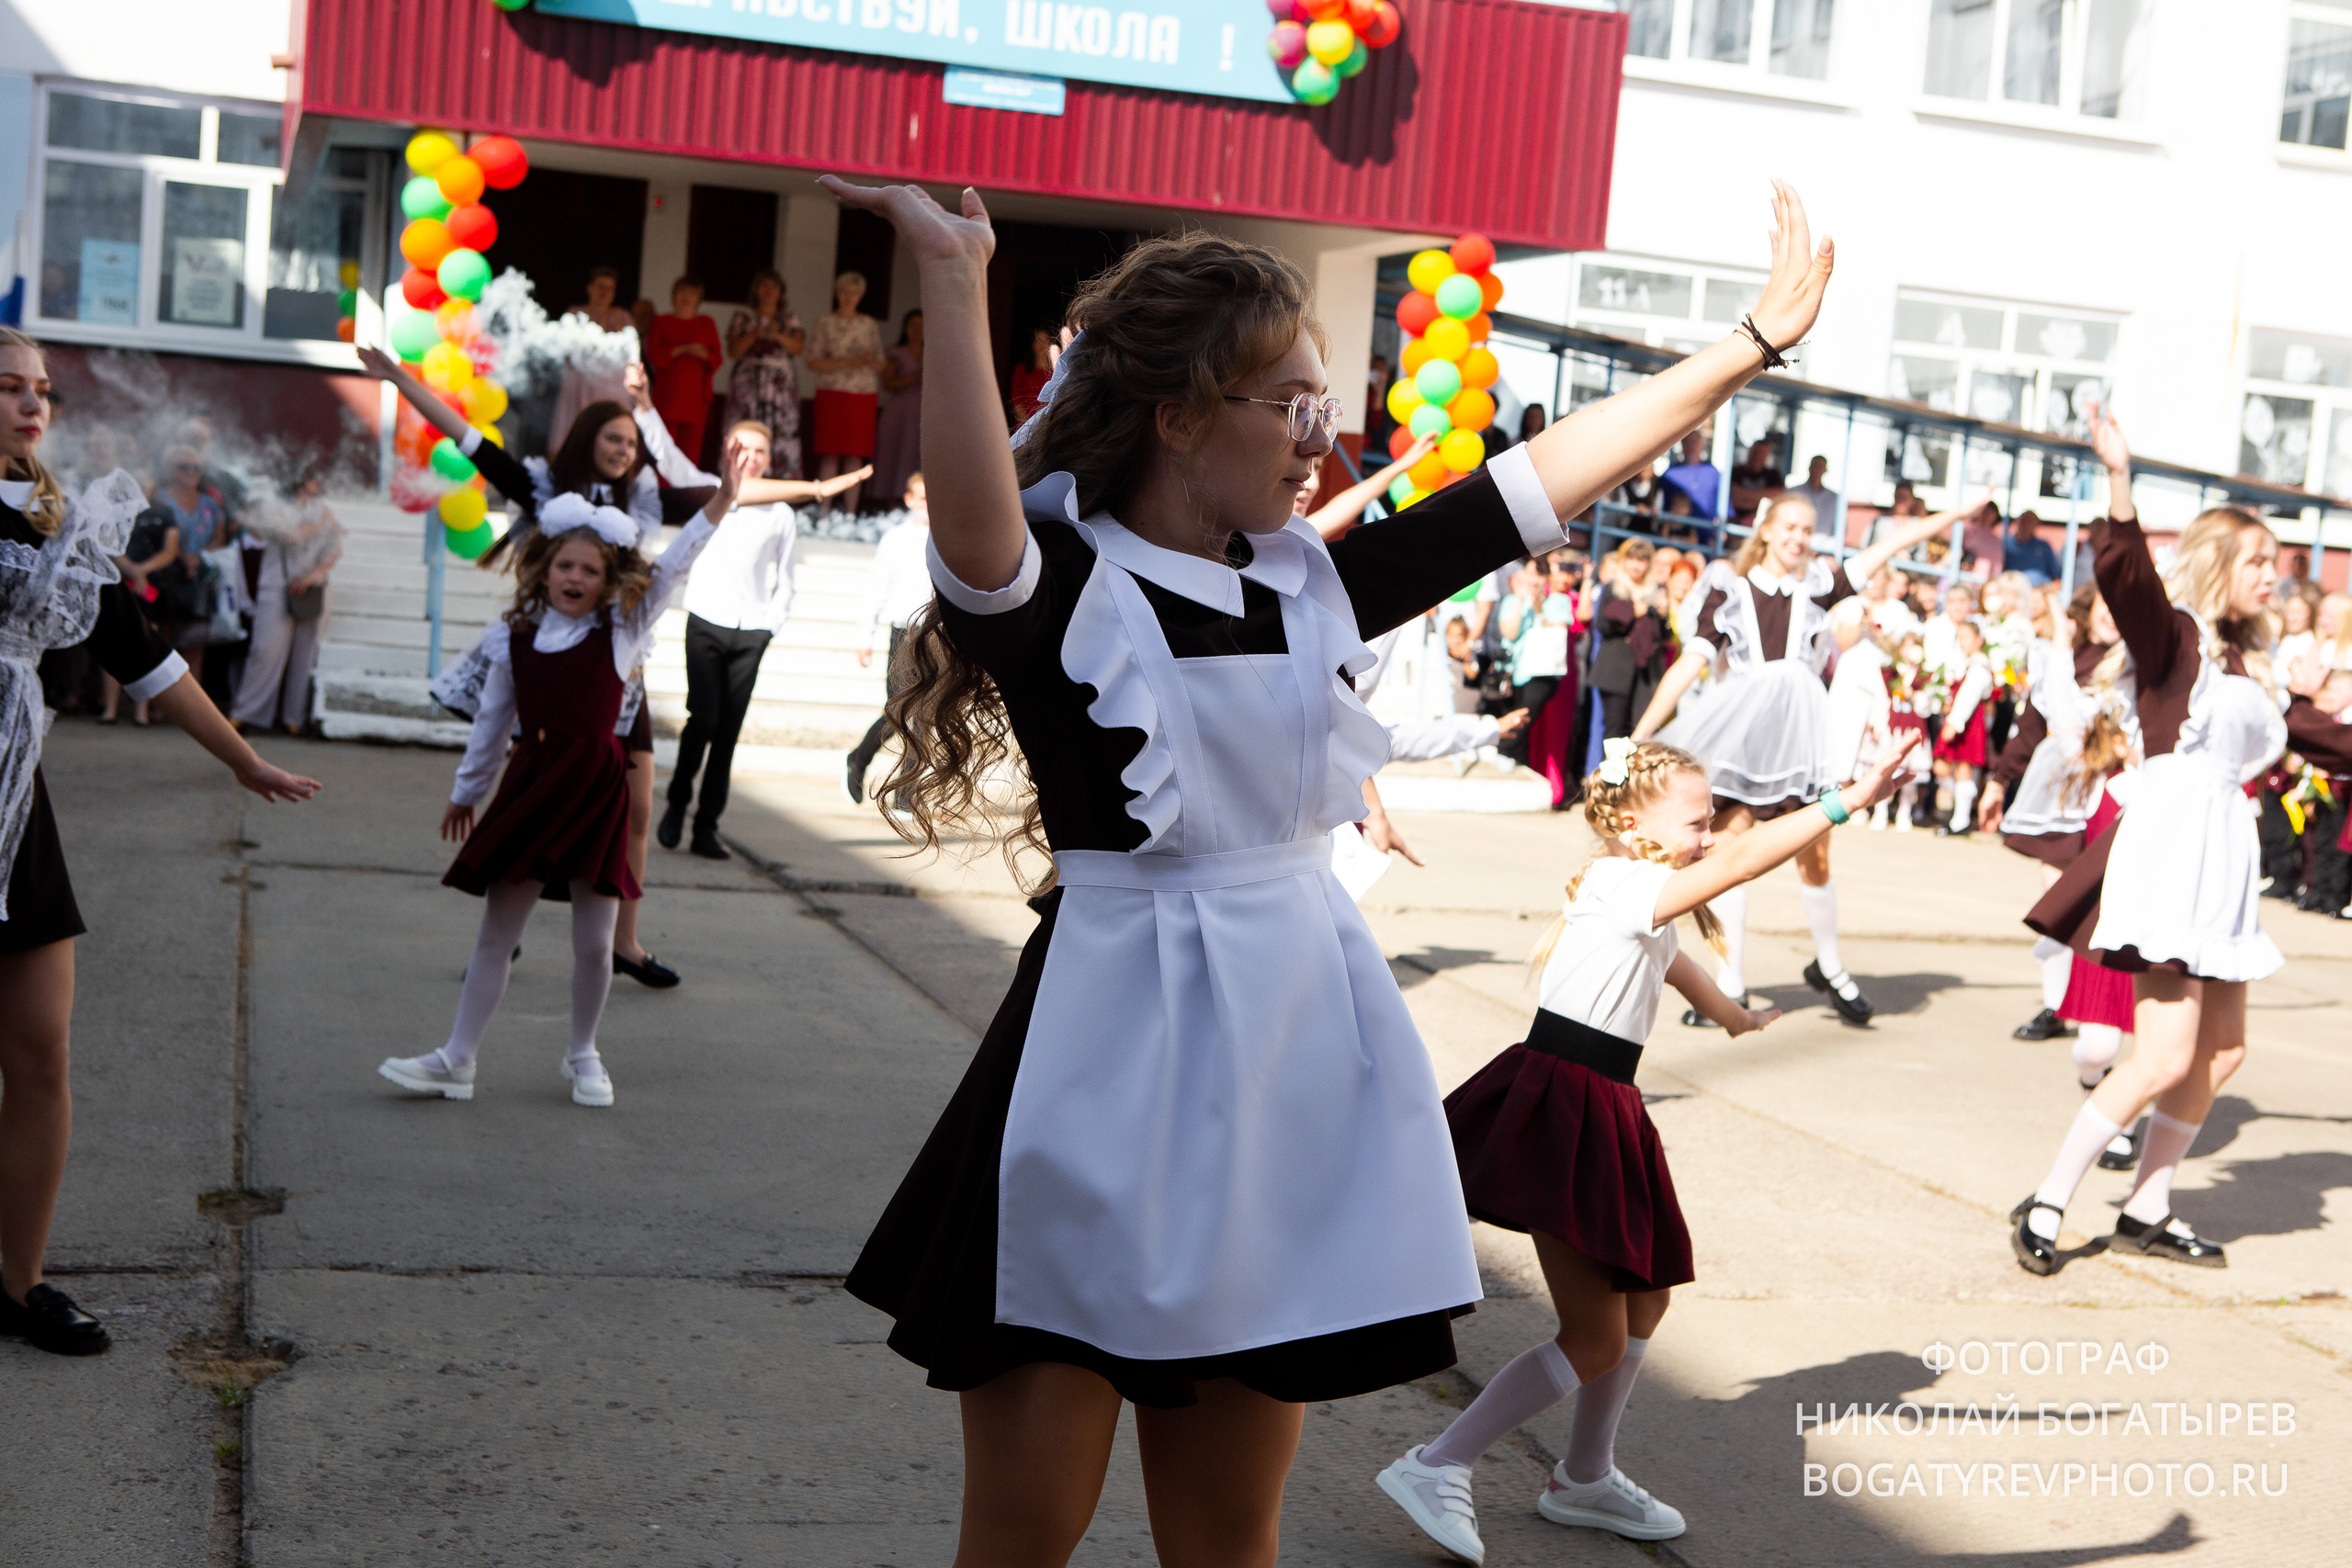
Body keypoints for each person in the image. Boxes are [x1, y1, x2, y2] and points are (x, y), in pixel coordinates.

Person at [821, 173, 1838, 1566]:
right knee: (1021, 1528)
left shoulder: (1309, 583)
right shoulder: (1064, 586)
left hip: (1289, 1066)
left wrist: (1749, 344)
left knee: (1232, 1531)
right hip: (1094, 1070)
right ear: (1179, 415)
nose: (1325, 435)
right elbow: (974, 528)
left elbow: (1537, 483)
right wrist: (952, 281)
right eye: (1290, 404)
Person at [1378, 735, 1918, 1558]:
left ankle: (1584, 1476)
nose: (1709, 835)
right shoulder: (1616, 880)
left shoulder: (1646, 901)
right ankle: (1437, 1459)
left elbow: (1681, 972)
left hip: (1607, 1109)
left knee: (1647, 1297)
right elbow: (1737, 868)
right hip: (1564, 1109)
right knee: (1592, 1334)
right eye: (1697, 821)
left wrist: (1740, 1017)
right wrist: (1845, 800)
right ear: (1632, 824)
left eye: (1710, 822)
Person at [0, 326, 319, 1357]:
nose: (31, 406)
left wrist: (243, 761)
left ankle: (19, 1283)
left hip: (13, 812)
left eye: (40, 390)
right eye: (8, 389)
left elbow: (146, 662)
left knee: (41, 1050)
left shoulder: (63, 525)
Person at [2011, 402, 2352, 1274]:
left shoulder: (2254, 665)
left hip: (2223, 858)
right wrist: (2120, 480)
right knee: (2164, 1053)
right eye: (2260, 563)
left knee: (2224, 1049)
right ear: (2218, 564)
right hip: (2171, 847)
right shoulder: (2177, 641)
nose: (2274, 577)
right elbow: (2126, 577)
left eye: (2277, 564)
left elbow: (2328, 739)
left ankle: (2147, 1207)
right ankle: (2048, 1198)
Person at [378, 440, 755, 1108]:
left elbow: (672, 566)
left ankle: (583, 1051)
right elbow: (492, 726)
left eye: (588, 568)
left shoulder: (622, 629)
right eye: (564, 566)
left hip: (596, 787)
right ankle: (457, 1059)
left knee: (594, 941)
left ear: (608, 580)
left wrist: (722, 500)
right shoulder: (514, 638)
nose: (575, 577)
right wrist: (467, 792)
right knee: (497, 931)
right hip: (532, 783)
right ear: (544, 570)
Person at [363, 347, 683, 985]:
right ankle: (502, 930)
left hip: (615, 672)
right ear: (589, 436)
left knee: (638, 810)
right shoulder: (543, 489)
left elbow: (716, 494)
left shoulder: (642, 504)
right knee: (531, 795)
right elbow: (471, 441)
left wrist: (651, 411)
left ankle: (626, 941)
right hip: (547, 665)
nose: (623, 449)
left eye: (632, 440)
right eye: (613, 437)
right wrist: (401, 380)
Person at [1633, 492, 1958, 1027]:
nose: (1799, 538)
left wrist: (1956, 516)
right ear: (1766, 529)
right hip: (1745, 730)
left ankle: (1829, 965)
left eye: (1807, 529)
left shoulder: (1819, 585)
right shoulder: (1729, 588)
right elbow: (1691, 664)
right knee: (1727, 851)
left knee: (1816, 847)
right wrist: (1640, 735)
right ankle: (1731, 980)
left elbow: (1894, 542)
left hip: (1802, 733)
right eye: (1790, 527)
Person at [628, 389, 870, 857]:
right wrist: (642, 403)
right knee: (703, 718)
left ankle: (706, 826)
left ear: (769, 456)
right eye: (743, 449)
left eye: (760, 451)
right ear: (727, 450)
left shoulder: (780, 512)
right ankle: (677, 805)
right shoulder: (705, 487)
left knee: (728, 731)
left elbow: (785, 576)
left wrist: (769, 626)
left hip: (751, 630)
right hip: (706, 620)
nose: (752, 458)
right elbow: (666, 453)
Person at [1981, 586, 2117, 1040]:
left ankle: (2103, 1002)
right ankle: (2057, 1005)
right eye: (2105, 605)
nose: (2113, 616)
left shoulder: (2141, 668)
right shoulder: (2067, 658)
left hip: (2114, 797)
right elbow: (2031, 728)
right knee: (2057, 901)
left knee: (2109, 907)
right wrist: (1998, 783)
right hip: (2060, 796)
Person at [230, 464, 344, 735]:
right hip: (276, 585)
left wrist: (314, 576)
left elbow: (334, 550)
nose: (318, 482)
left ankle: (294, 717)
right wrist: (323, 524)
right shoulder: (273, 506)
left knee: (305, 655)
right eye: (313, 476)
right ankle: (246, 713)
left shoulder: (322, 509)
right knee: (265, 651)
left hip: (312, 587)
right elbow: (290, 535)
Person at [807, 272, 887, 513]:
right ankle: (823, 513)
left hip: (862, 395)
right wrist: (847, 362)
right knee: (829, 454)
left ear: (860, 296)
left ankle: (850, 514)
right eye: (844, 292)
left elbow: (881, 364)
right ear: (837, 293)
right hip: (832, 393)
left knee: (855, 455)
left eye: (854, 293)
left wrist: (869, 360)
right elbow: (812, 361)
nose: (849, 297)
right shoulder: (824, 323)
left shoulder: (869, 324)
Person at [724, 268, 806, 479]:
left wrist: (777, 334)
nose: (769, 291)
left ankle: (779, 482)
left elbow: (798, 348)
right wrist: (754, 334)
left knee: (781, 433)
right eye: (764, 286)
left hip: (780, 386)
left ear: (781, 292)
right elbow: (733, 351)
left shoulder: (789, 318)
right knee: (745, 428)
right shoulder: (743, 316)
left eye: (774, 287)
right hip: (748, 384)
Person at [549, 265, 637, 458]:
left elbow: (632, 354)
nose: (604, 292)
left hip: (611, 392)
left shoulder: (622, 318)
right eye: (600, 286)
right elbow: (563, 349)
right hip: (579, 389)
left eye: (610, 288)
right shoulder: (574, 314)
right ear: (590, 288)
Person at [1588, 538, 1668, 745]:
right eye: (1632, 559)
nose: (1636, 565)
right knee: (1614, 732)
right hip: (1614, 671)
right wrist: (1632, 612)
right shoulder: (1613, 588)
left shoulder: (1657, 592)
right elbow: (1602, 627)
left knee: (1639, 733)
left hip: (1644, 675)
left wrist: (1663, 615)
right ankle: (1610, 776)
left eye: (1641, 560)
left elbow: (1661, 638)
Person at [647, 275, 723, 469]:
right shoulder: (661, 321)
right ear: (674, 296)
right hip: (668, 396)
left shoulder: (706, 323)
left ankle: (688, 495)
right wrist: (681, 349)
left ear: (699, 299)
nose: (687, 297)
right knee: (664, 449)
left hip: (696, 398)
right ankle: (662, 493)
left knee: (691, 452)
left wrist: (703, 354)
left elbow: (717, 358)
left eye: (692, 294)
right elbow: (653, 354)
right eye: (682, 292)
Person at [1300, 434, 1436, 537]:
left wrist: (1404, 464)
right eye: (1301, 466)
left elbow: (1336, 511)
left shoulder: (1296, 534)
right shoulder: (1288, 538)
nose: (1313, 484)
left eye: (1317, 468)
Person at [1930, 619, 1994, 838]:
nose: (1962, 643)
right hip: (1962, 722)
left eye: (1966, 638)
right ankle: (1962, 813)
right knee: (1948, 768)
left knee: (1962, 768)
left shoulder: (1978, 667)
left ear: (1979, 640)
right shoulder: (1968, 664)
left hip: (1967, 724)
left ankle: (1962, 818)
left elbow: (1968, 698)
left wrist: (1954, 723)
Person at [870, 310, 925, 507]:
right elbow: (888, 383)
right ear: (905, 328)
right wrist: (915, 377)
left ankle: (918, 503)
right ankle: (891, 503)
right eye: (913, 325)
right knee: (893, 454)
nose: (917, 330)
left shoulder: (934, 354)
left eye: (922, 325)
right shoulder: (894, 353)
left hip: (923, 413)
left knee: (917, 455)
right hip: (898, 412)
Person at [1658, 430, 1718, 521]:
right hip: (1674, 531)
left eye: (1694, 442)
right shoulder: (1670, 473)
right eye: (1686, 442)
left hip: (1707, 532)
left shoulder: (1712, 472)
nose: (1690, 446)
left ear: (1701, 445)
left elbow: (1724, 508)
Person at [1727, 437, 1783, 521]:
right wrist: (1762, 499)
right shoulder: (1735, 472)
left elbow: (1777, 497)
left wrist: (1743, 494)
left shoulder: (1773, 475)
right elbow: (1734, 499)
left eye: (1762, 454)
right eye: (1756, 452)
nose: (1758, 457)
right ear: (1750, 452)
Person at [1787, 455, 1840, 543]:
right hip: (1797, 543)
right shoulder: (1794, 492)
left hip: (1824, 551)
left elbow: (1840, 530)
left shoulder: (1834, 498)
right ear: (1809, 468)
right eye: (1815, 466)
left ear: (1825, 470)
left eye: (1820, 467)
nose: (1817, 470)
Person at [1009, 326, 1057, 423]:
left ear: (1050, 344)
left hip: (1046, 427)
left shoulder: (1055, 373)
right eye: (1038, 341)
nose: (1041, 345)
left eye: (1045, 341)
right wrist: (1028, 426)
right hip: (1023, 426)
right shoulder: (1021, 370)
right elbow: (1015, 401)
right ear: (1033, 344)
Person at [2005, 510, 2062, 585]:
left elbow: (2055, 576)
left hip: (2040, 590)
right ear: (2017, 522)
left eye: (2030, 522)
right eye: (2023, 521)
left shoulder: (2044, 546)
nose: (2026, 525)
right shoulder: (2006, 545)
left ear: (2036, 525)